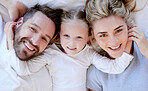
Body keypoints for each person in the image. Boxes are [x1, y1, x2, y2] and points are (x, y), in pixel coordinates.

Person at [5, 10, 133, 91]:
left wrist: (129, 40)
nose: (71, 43)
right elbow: (22, 69)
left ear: (89, 37)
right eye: (66, 36)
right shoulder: (50, 53)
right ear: (59, 35)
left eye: (79, 37)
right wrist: (10, 38)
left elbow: (115, 67)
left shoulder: (87, 54)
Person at [85, 0, 148, 91]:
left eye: (118, 31)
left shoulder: (145, 42)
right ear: (93, 36)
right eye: (103, 35)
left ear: (128, 25)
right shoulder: (95, 73)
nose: (113, 42)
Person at [0, 4, 62, 91]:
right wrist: (11, 5)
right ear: (19, 23)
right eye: (33, 29)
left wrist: (10, 39)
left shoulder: (42, 82)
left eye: (44, 39)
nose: (35, 41)